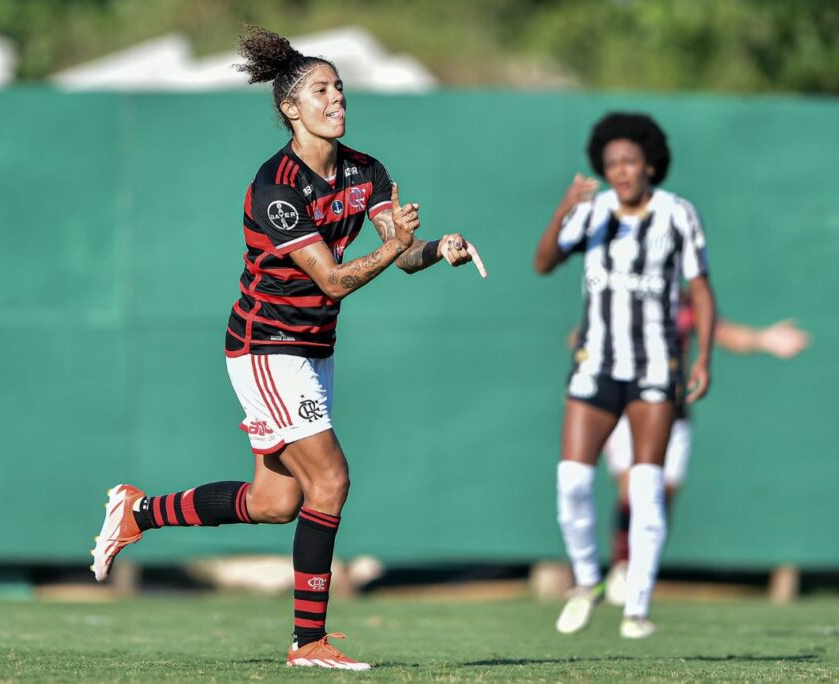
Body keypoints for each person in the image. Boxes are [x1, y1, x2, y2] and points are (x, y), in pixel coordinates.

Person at [90, 25, 486, 671]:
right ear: (289, 108)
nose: (337, 99)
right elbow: (333, 278)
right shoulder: (275, 187)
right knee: (331, 479)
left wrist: (435, 249)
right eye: (322, 90)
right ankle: (308, 644)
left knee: (275, 503)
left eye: (340, 88)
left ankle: (138, 511)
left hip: (313, 347)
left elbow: (400, 255)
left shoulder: (367, 170)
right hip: (265, 345)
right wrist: (391, 250)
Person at [533, 112, 715, 639]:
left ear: (650, 164)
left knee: (646, 486)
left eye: (630, 161)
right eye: (612, 163)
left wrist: (703, 359)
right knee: (571, 479)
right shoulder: (591, 215)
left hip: (656, 366)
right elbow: (543, 263)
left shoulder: (678, 215)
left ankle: (636, 605)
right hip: (596, 364)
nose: (621, 171)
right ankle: (587, 577)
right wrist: (564, 209)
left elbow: (701, 290)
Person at [600, 297, 810, 606]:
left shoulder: (686, 304)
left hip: (673, 412)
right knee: (632, 488)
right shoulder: (624, 295)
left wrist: (765, 339)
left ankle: (641, 567)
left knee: (661, 496)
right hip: (627, 408)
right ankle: (623, 566)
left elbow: (724, 334)